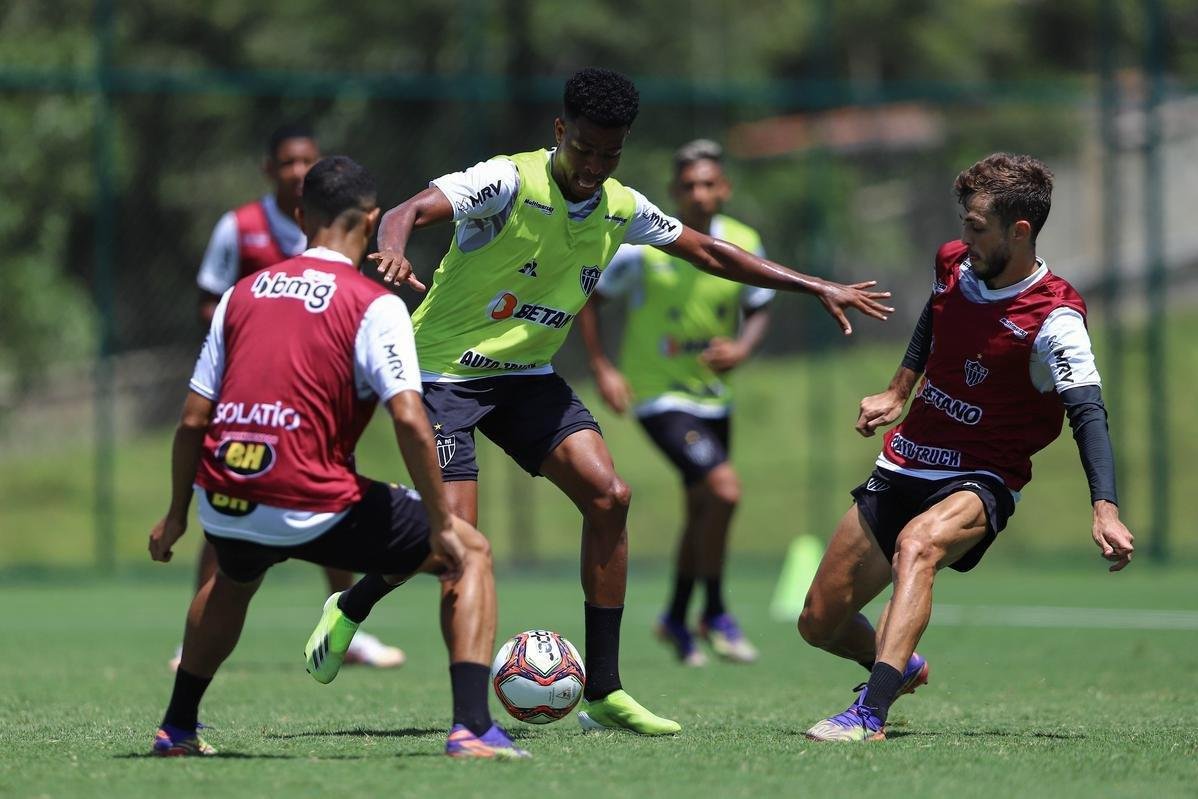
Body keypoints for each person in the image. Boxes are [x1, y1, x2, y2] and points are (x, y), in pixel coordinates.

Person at [319, 67, 892, 736]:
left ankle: (605, 690)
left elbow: (707, 250)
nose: (594, 165)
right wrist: (389, 251)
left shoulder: (622, 206)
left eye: (610, 152)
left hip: (526, 376)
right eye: (584, 148)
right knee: (459, 548)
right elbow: (404, 212)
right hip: (443, 378)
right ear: (560, 131)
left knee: (609, 495)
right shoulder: (506, 180)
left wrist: (815, 283)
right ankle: (452, 705)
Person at [148, 156, 527, 759]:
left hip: (227, 498)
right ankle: (473, 729)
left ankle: (177, 729)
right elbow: (408, 416)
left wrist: (175, 516)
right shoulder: (374, 304)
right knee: (469, 552)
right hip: (309, 499)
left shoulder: (240, 296)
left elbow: (194, 418)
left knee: (234, 578)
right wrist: (439, 522)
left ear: (301, 216)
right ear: (373, 219)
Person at [797, 153, 1135, 742]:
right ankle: (900, 664)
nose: (964, 237)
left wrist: (1104, 506)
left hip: (984, 473)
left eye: (977, 226)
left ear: (1019, 231)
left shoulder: (1055, 317)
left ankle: (869, 714)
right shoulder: (954, 263)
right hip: (910, 455)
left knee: (918, 545)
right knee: (818, 621)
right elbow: (935, 315)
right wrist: (898, 390)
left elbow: (1087, 412)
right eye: (965, 222)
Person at [181, 123, 403, 672]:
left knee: (334, 492)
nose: (299, 170)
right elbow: (213, 300)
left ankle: (347, 626)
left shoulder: (337, 224)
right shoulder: (240, 228)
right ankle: (195, 637)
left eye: (308, 160)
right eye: (287, 162)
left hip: (320, 395)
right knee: (230, 501)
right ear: (269, 170)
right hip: (252, 393)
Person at [576, 139, 771, 666]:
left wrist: (743, 347)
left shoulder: (745, 240)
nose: (699, 193)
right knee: (724, 493)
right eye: (688, 186)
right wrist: (603, 367)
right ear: (673, 193)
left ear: (724, 188)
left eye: (709, 183)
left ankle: (678, 619)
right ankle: (715, 610)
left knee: (703, 506)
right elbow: (589, 298)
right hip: (658, 397)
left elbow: (759, 304)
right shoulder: (645, 248)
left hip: (713, 398)